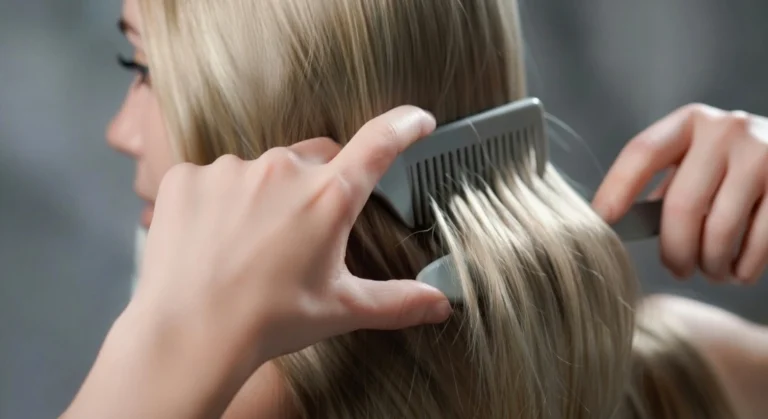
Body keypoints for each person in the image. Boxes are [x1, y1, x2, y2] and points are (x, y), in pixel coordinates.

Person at [62, 0, 768, 418]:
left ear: (270, 119)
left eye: (146, 70)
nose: (121, 131)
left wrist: (160, 359)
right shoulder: (691, 369)